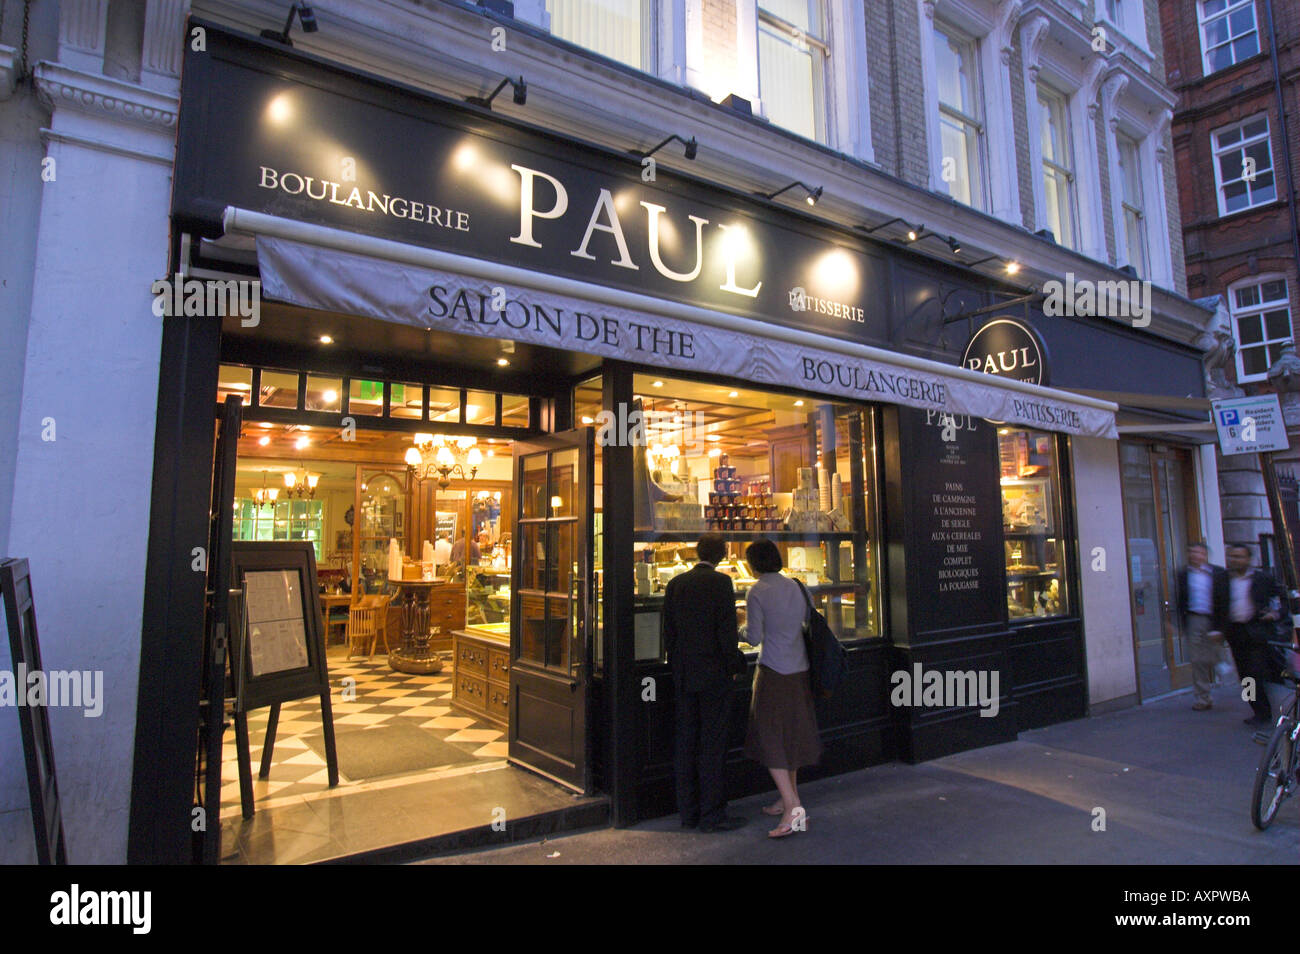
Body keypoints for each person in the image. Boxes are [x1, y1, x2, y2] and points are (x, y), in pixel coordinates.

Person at [661, 533, 747, 833]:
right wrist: (735, 664)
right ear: (722, 554)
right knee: (713, 744)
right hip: (714, 675)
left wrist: (676, 664)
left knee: (686, 742)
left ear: (697, 553)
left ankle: (688, 813)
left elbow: (668, 632)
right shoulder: (722, 583)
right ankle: (712, 814)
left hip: (685, 674)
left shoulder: (676, 584)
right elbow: (727, 632)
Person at [740, 538, 822, 838]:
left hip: (773, 670)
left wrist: (739, 629)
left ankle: (792, 807)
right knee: (791, 735)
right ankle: (787, 796)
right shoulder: (797, 586)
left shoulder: (757, 591)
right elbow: (807, 621)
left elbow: (753, 636)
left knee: (769, 736)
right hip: (800, 668)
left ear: (753, 563)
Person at [1224, 544, 1282, 726]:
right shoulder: (1224, 579)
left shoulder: (1263, 579)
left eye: (1240, 556)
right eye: (1233, 556)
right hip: (1235, 632)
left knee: (1256, 672)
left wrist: (1275, 613)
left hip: (1257, 630)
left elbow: (1280, 598)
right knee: (1245, 676)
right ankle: (1256, 709)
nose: (1235, 560)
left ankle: (1266, 710)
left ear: (1248, 559)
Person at [1176, 542, 1229, 711]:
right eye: (1191, 552)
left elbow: (1224, 600)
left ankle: (1224, 670)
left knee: (1215, 654)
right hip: (1194, 618)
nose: (1194, 556)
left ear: (1205, 555)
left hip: (1214, 618)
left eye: (1198, 552)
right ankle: (1203, 697)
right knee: (1197, 659)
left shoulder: (1218, 573)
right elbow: (1180, 599)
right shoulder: (1183, 574)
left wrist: (1221, 626)